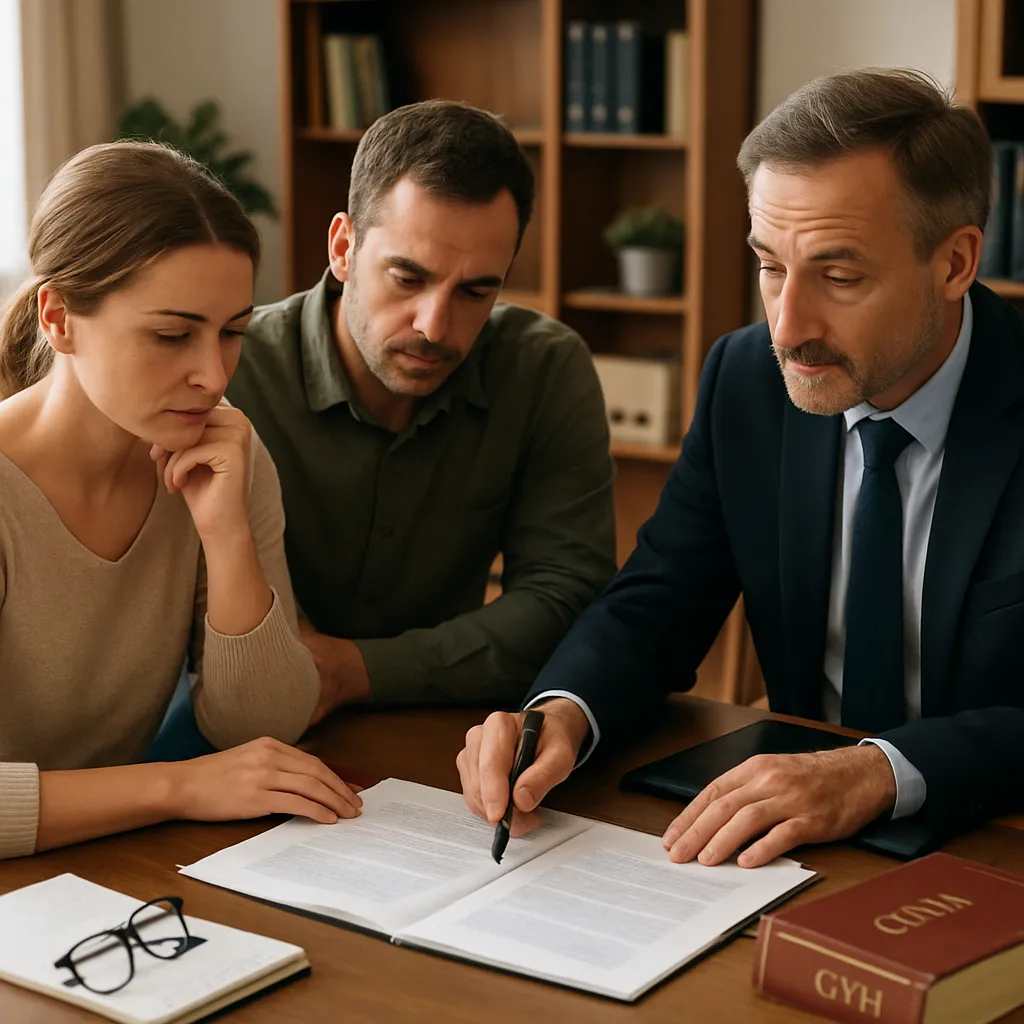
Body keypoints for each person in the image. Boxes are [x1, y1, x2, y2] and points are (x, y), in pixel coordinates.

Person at [457, 68, 1024, 865]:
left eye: (839, 275)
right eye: (769, 265)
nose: (788, 325)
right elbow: (660, 598)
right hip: (789, 848)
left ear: (957, 262)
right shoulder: (748, 378)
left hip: (990, 840)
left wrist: (879, 773)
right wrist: (563, 713)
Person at [0, 141, 361, 861]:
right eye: (171, 335)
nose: (210, 374)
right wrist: (178, 787)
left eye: (233, 333)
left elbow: (261, 727)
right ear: (58, 317)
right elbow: (216, 771)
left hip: (102, 865)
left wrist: (226, 535)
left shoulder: (223, 453)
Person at [225, 100, 616, 721]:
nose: (435, 327)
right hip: (253, 726)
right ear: (343, 247)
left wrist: (355, 671)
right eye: (408, 278)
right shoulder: (233, 370)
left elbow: (567, 597)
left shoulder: (543, 368)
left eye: (475, 291)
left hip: (445, 729)